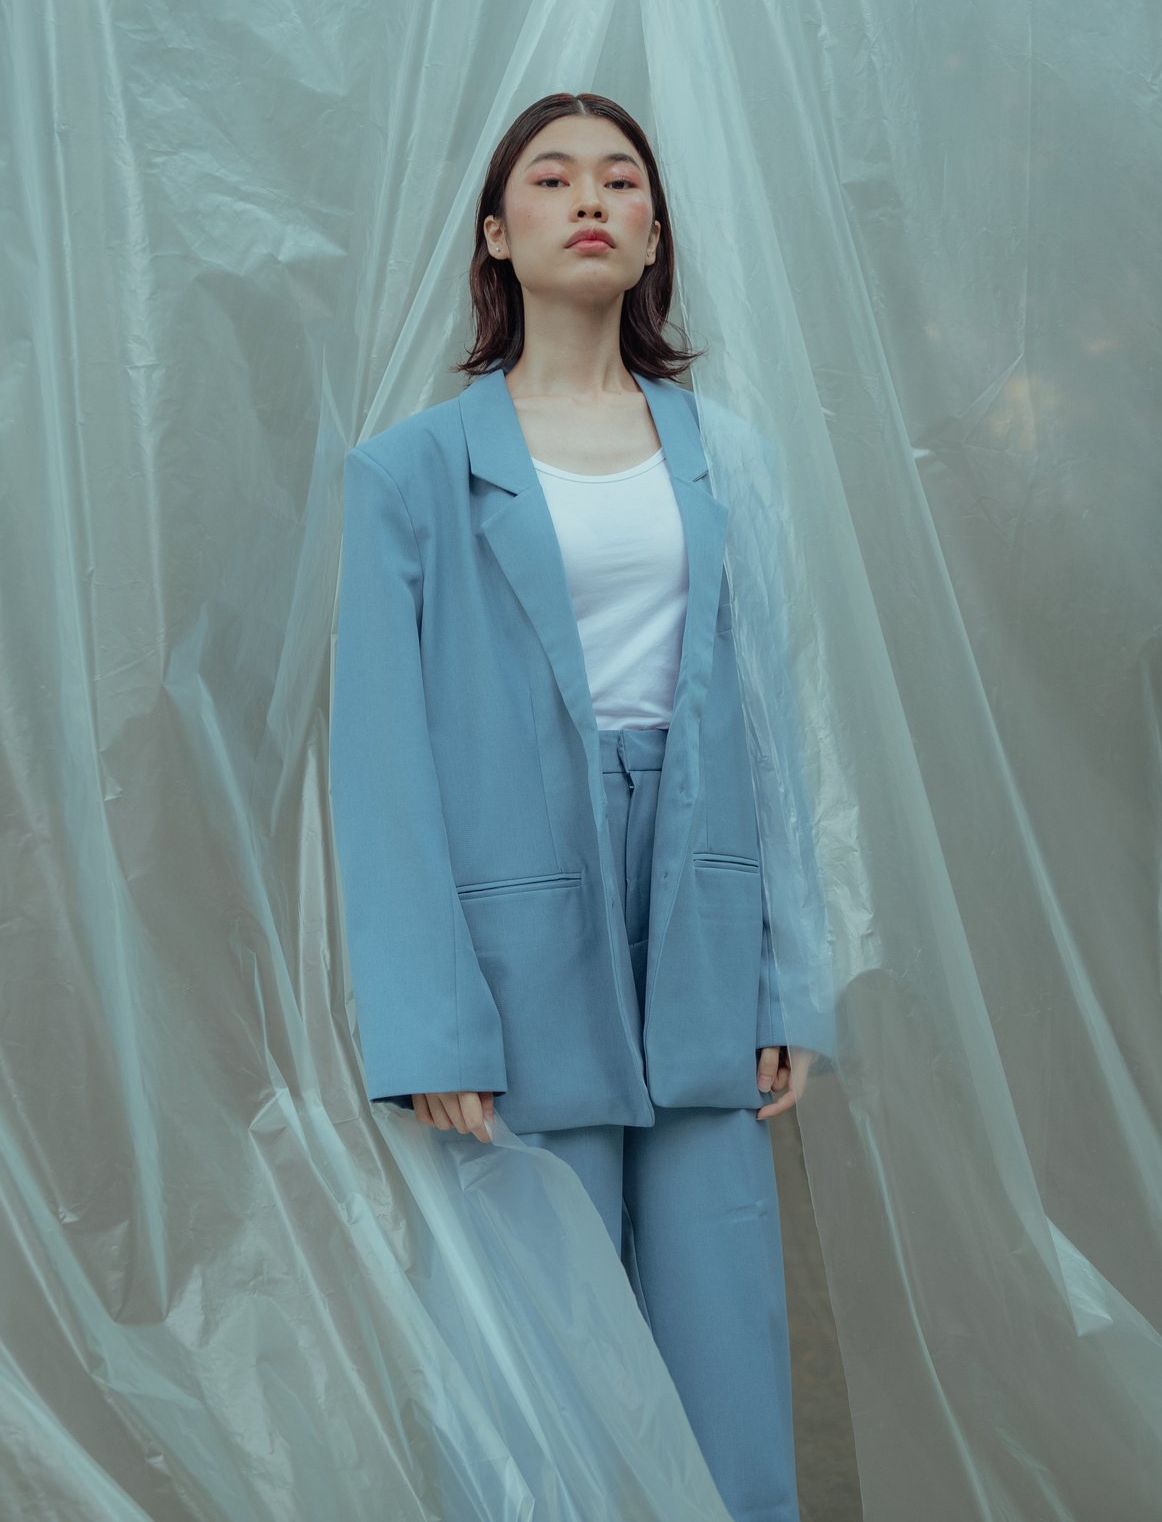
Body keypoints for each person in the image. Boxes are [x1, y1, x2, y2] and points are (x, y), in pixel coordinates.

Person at [329, 91, 825, 1522]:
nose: (589, 195)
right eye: (551, 177)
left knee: (726, 1351)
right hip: (512, 939)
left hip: (701, 915)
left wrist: (784, 966)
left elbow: (774, 729)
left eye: (621, 177)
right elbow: (383, 764)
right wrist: (431, 1023)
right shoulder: (408, 475)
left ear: (655, 230)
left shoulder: (732, 460)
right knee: (526, 1384)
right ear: (499, 232)